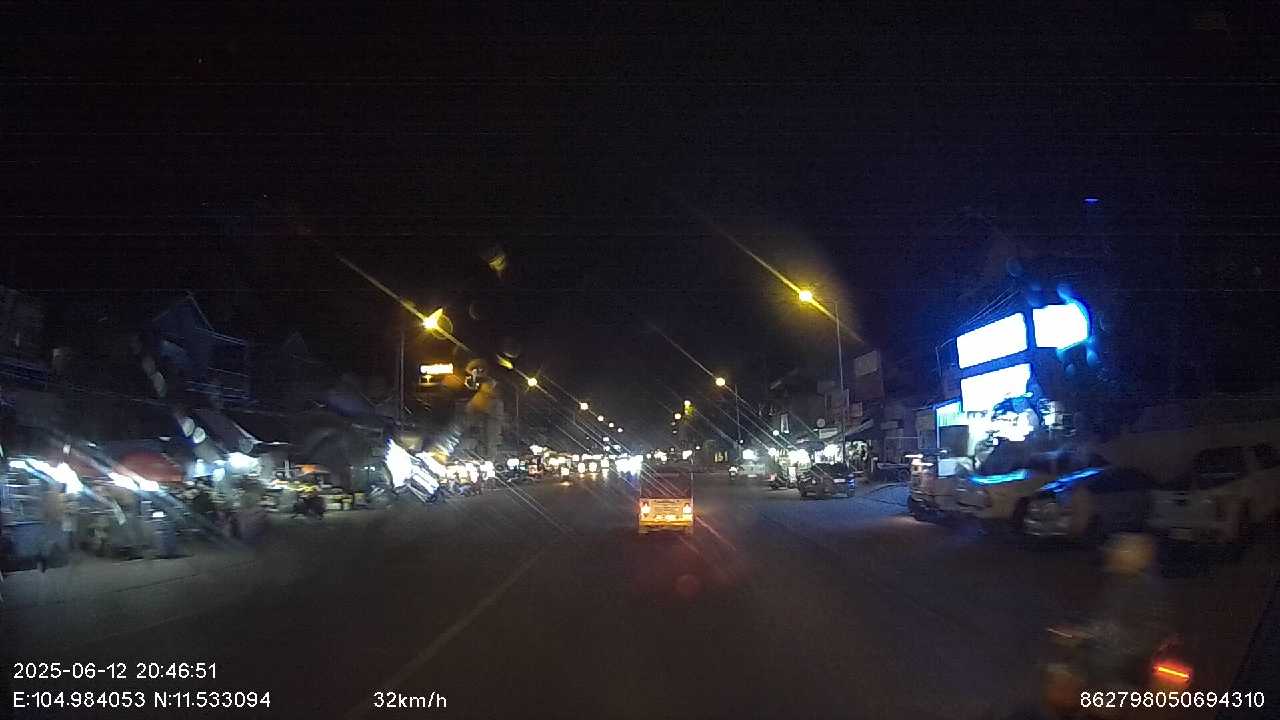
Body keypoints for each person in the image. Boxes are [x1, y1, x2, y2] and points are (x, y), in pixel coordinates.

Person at [1081, 533, 1173, 687]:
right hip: (1113, 651)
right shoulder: (1118, 582)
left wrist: (1096, 634)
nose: (1110, 555)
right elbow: (1104, 616)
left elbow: (1147, 634)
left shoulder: (1145, 590)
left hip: (1128, 662)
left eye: (1117, 553)